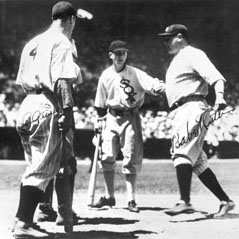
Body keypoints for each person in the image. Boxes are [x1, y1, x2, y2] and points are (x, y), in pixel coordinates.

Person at [13, 1, 83, 237]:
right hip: (46, 104)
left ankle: (25, 221)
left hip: (27, 104)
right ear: (71, 19)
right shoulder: (62, 42)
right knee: (42, 170)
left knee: (35, 166)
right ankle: (23, 224)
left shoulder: (33, 42)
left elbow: (20, 80)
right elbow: (62, 81)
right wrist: (68, 113)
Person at [158, 24, 235, 216]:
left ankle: (184, 201)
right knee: (197, 162)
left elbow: (216, 77)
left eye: (168, 38)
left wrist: (220, 96)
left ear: (180, 36)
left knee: (181, 152)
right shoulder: (178, 60)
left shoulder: (192, 54)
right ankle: (226, 201)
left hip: (192, 107)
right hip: (181, 110)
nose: (165, 42)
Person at [92, 40, 164, 212]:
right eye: (117, 53)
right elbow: (100, 104)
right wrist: (99, 123)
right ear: (110, 55)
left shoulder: (135, 73)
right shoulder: (105, 75)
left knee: (130, 157)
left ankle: (131, 199)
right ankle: (110, 197)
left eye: (123, 53)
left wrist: (158, 86)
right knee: (107, 156)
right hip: (110, 117)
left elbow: (151, 84)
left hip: (130, 116)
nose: (120, 56)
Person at [37, 38, 83, 226]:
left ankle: (44, 207)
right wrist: (68, 115)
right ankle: (65, 211)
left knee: (45, 161)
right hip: (59, 112)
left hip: (40, 109)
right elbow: (70, 83)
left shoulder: (43, 59)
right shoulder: (64, 61)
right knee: (66, 163)